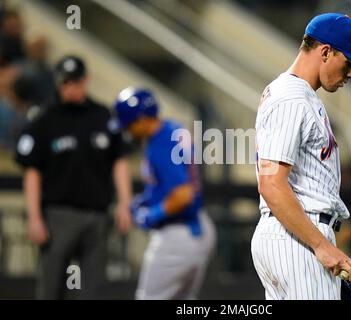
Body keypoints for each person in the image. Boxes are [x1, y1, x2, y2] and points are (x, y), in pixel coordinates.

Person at [251, 13, 351, 300]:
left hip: (296, 236)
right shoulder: (291, 97)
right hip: (297, 240)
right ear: (325, 51)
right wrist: (321, 245)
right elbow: (271, 185)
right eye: (349, 63)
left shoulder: (299, 95)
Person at [14, 55, 133, 299]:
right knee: (51, 286)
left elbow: (119, 162)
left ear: (85, 80)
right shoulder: (45, 119)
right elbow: (32, 171)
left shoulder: (102, 116)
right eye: (65, 82)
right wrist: (35, 216)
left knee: (93, 289)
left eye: (75, 81)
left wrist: (125, 203)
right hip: (58, 215)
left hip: (97, 214)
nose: (70, 87)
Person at [114, 87, 216, 300]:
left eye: (129, 123)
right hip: (199, 227)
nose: (127, 130)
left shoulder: (160, 144)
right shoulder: (172, 129)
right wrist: (148, 200)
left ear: (142, 119)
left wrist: (152, 214)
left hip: (178, 234)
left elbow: (183, 194)